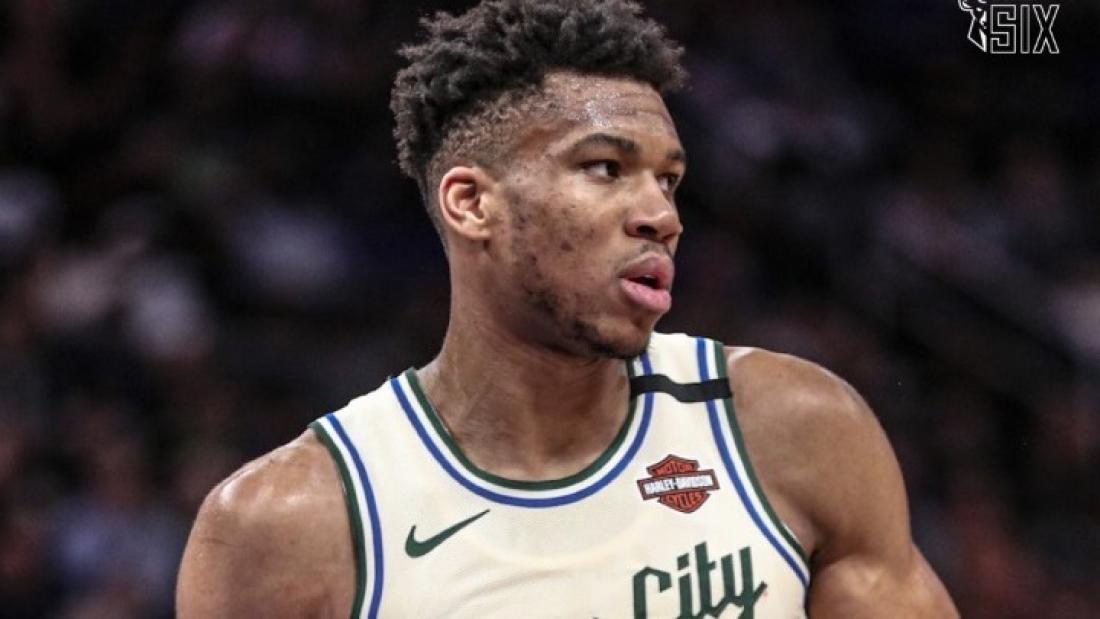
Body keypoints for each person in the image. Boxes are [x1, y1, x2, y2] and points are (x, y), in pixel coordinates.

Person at [176, 1, 958, 616]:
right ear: (472, 203)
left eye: (668, 180)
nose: (661, 215)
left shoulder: (792, 429)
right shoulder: (293, 523)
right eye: (606, 167)